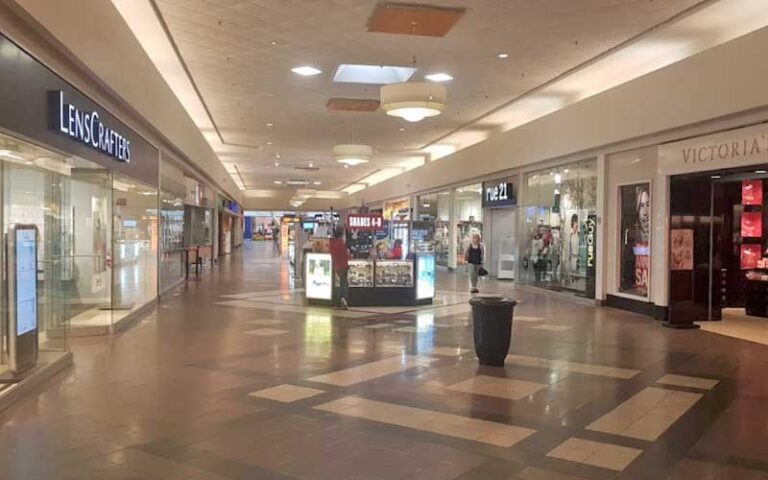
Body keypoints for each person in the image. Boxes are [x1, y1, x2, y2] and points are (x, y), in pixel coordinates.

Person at [329, 227, 350, 309]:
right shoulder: (340, 243)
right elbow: (345, 255)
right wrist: (349, 254)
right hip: (343, 265)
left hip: (337, 266)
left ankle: (339, 301)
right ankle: (342, 299)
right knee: (344, 283)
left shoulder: (332, 243)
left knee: (342, 282)